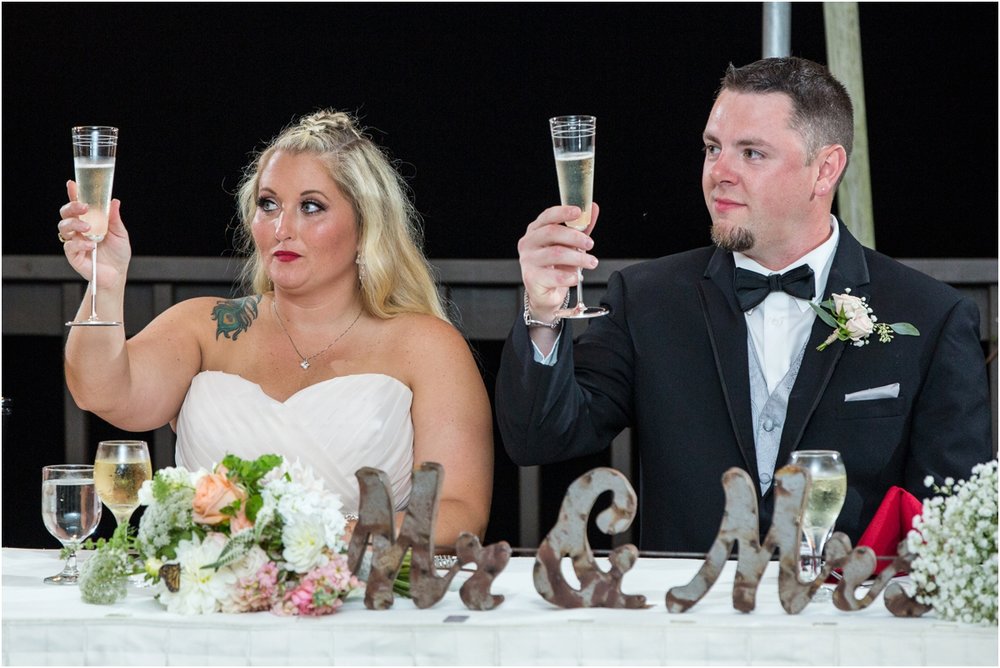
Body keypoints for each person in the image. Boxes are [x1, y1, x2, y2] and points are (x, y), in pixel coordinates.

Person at [496, 57, 992, 554]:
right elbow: (539, 438)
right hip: (686, 613)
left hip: (847, 615)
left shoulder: (931, 316)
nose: (720, 173)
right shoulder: (647, 298)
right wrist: (543, 309)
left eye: (751, 153)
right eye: (713, 148)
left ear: (825, 169)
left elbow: (954, 518)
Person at [59, 110, 494, 545]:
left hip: (354, 601)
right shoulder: (204, 327)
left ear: (365, 227)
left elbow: (458, 510)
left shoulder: (426, 346)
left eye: (311, 207)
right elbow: (99, 390)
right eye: (269, 205)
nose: (282, 229)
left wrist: (317, 542)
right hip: (211, 601)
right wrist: (106, 282)